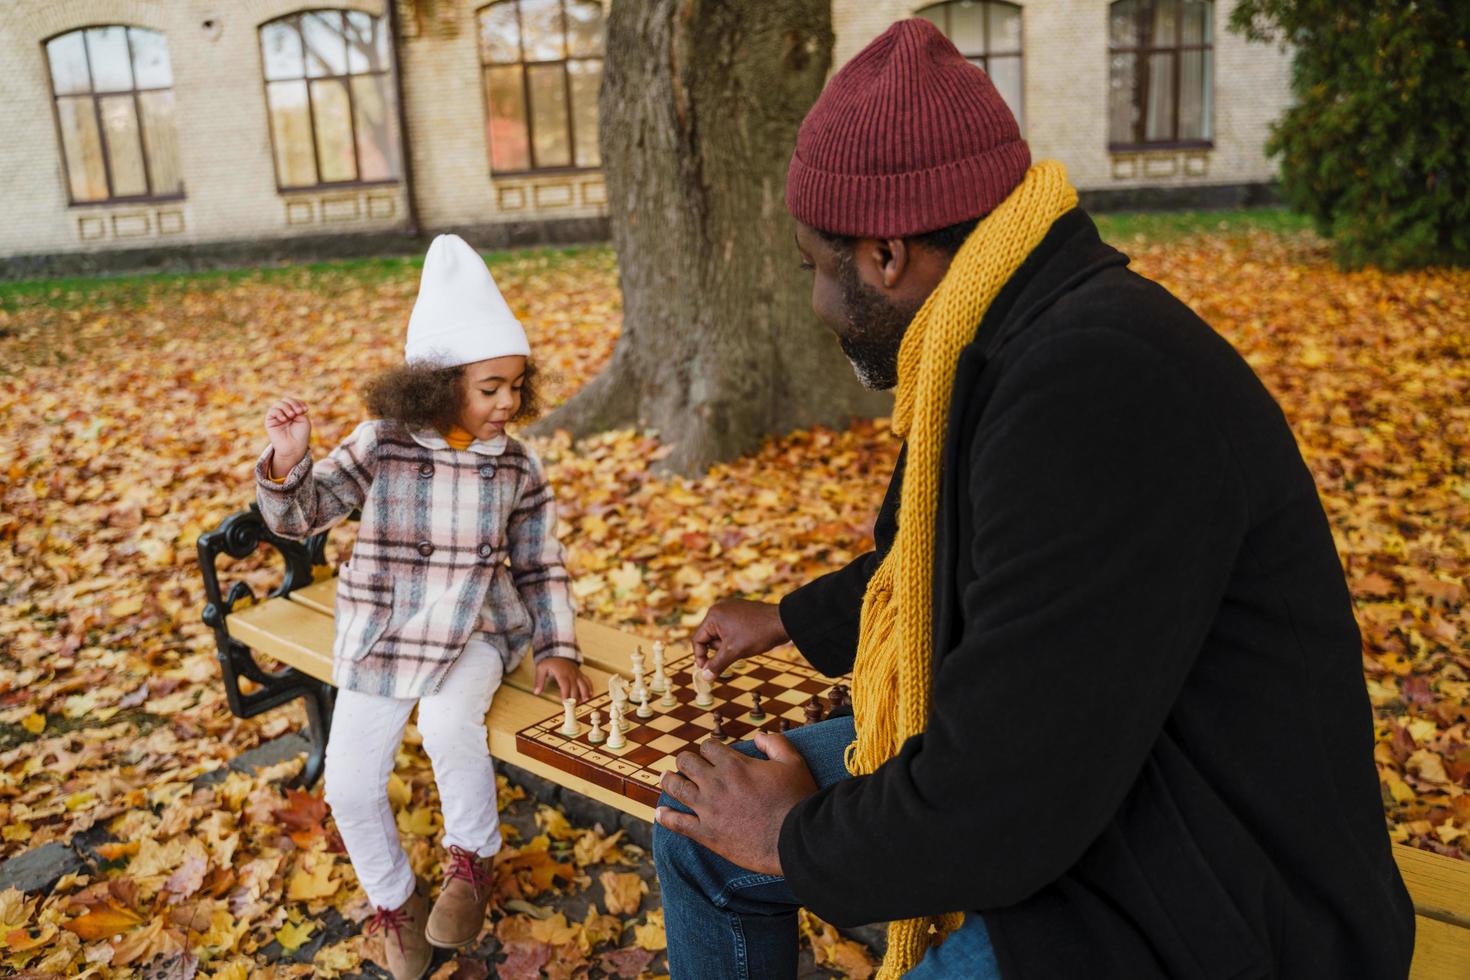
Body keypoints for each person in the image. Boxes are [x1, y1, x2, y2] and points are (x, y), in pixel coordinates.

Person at [652, 19, 1414, 980]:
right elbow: (953, 559)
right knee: (694, 831)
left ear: (887, 255)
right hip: (1099, 788)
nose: (816, 305)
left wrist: (795, 834)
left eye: (816, 266)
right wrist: (794, 620)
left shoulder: (1093, 385)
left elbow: (1005, 803)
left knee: (760, 837)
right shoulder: (1011, 329)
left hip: (1209, 888)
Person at [254, 234, 591, 980]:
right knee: (348, 780)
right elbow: (303, 515)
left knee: (445, 722)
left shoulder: (516, 467)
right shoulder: (383, 442)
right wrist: (287, 461)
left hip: (475, 629)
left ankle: (472, 863)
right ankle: (393, 903)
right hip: (384, 629)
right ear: (438, 383)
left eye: (515, 385)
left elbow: (540, 562)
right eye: (490, 387)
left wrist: (558, 647)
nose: (508, 403)